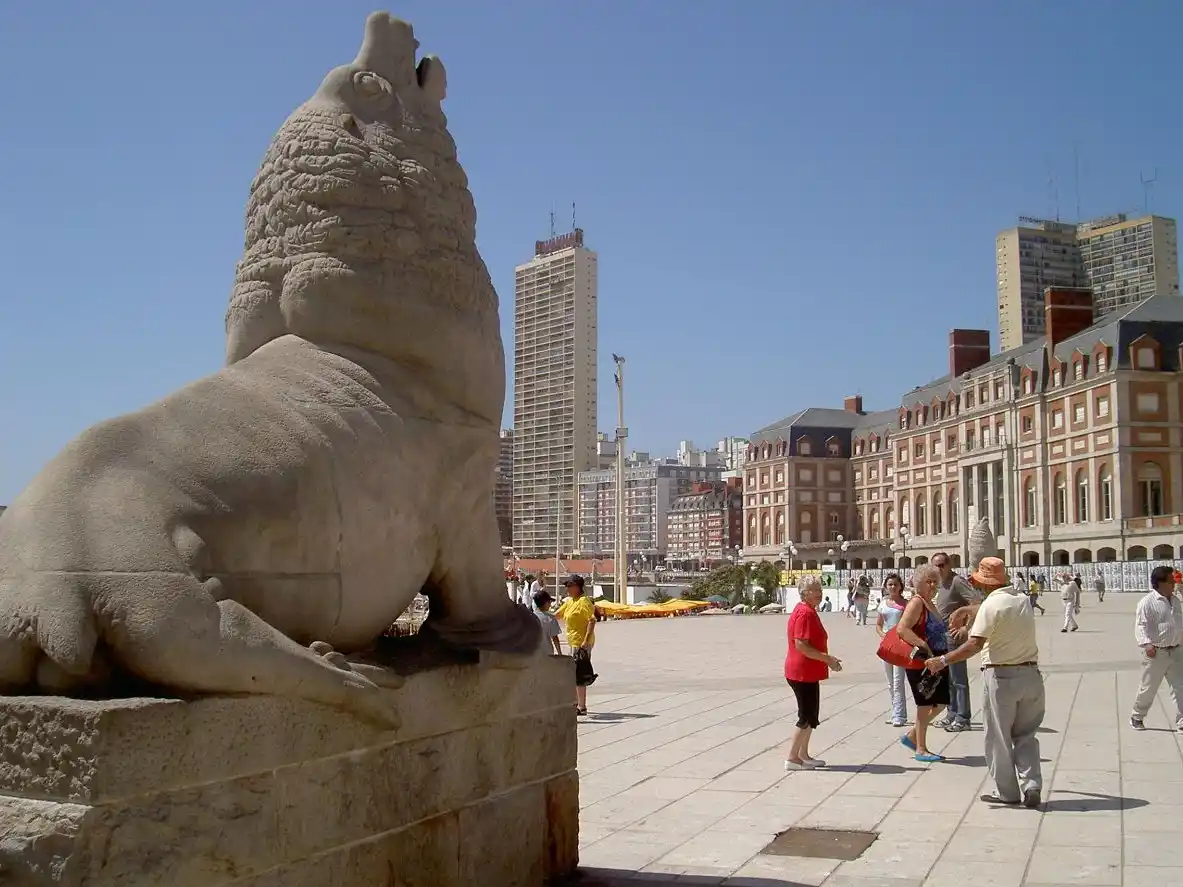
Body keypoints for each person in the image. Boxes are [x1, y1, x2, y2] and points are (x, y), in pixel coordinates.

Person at [925, 556, 1043, 808]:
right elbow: (995, 608)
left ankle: (1008, 793)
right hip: (1031, 675)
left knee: (999, 737)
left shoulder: (990, 606)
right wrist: (967, 610)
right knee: (1026, 735)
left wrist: (943, 660)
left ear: (985, 584)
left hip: (1001, 677)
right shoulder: (1022, 601)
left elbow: (974, 645)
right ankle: (1031, 783)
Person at [783, 575, 842, 770]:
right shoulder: (805, 613)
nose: (819, 592)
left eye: (819, 588)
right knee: (806, 715)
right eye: (814, 590)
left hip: (806, 671)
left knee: (811, 715)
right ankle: (792, 758)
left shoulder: (807, 610)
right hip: (802, 671)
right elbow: (801, 645)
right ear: (804, 593)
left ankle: (803, 755)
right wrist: (828, 659)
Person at [894, 564, 949, 763]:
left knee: (941, 702)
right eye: (928, 581)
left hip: (939, 659)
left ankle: (912, 736)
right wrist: (923, 645)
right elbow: (902, 628)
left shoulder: (929, 602)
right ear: (919, 583)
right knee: (924, 704)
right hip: (923, 661)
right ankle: (921, 748)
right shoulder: (917, 602)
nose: (933, 585)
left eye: (935, 581)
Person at [1129, 565, 1183, 732]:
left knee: (1180, 688)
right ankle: (1137, 716)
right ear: (1160, 582)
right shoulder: (1147, 602)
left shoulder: (1175, 600)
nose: (1174, 583)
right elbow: (1140, 626)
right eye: (1170, 580)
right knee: (1148, 688)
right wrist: (1147, 644)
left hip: (1176, 651)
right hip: (1156, 653)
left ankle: (1182, 721)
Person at [932, 552, 977, 732]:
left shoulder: (957, 581)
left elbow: (976, 603)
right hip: (941, 637)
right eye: (935, 565)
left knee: (958, 679)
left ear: (949, 564)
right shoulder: (939, 584)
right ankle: (952, 713)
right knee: (948, 679)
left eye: (942, 565)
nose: (939, 569)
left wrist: (965, 628)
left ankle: (963, 717)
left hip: (953, 637)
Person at [555, 575, 597, 715]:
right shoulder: (570, 601)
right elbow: (557, 615)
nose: (567, 588)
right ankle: (576, 703)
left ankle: (581, 706)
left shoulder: (583, 601)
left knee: (579, 674)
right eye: (566, 585)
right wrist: (539, 615)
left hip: (581, 643)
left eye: (570, 586)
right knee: (573, 674)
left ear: (578, 587)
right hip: (573, 642)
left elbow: (592, 620)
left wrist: (585, 640)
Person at [876, 573, 909, 728]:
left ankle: (900, 715)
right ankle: (895, 711)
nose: (893, 587)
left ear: (900, 586)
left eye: (895, 584)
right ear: (886, 586)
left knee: (898, 681)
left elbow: (910, 625)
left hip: (900, 646)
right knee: (890, 682)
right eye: (890, 584)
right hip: (887, 646)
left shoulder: (906, 604)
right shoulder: (883, 604)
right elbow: (878, 625)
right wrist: (884, 635)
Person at [533, 590, 563, 655]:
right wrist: (560, 653)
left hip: (533, 653)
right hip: (547, 653)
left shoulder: (530, 617)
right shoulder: (550, 618)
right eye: (549, 602)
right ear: (546, 603)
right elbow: (555, 638)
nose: (550, 604)